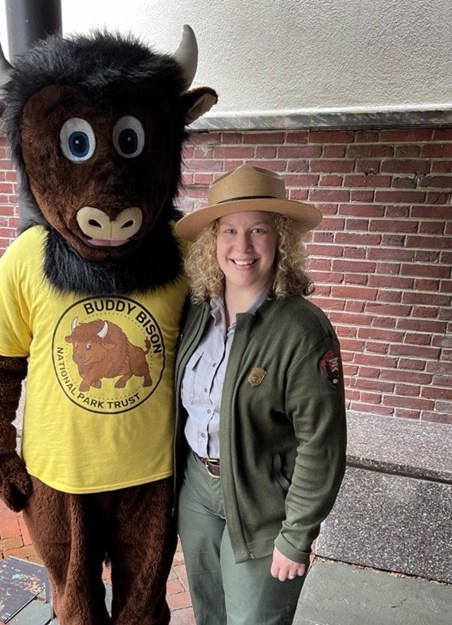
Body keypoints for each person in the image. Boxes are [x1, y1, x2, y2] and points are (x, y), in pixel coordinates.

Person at [173, 164, 347, 625]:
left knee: (254, 620)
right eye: (229, 230)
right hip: (197, 489)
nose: (242, 246)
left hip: (264, 502)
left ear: (281, 241)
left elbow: (322, 443)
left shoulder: (302, 329)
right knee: (209, 610)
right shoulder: (196, 309)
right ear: (213, 241)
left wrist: (297, 536)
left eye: (258, 231)